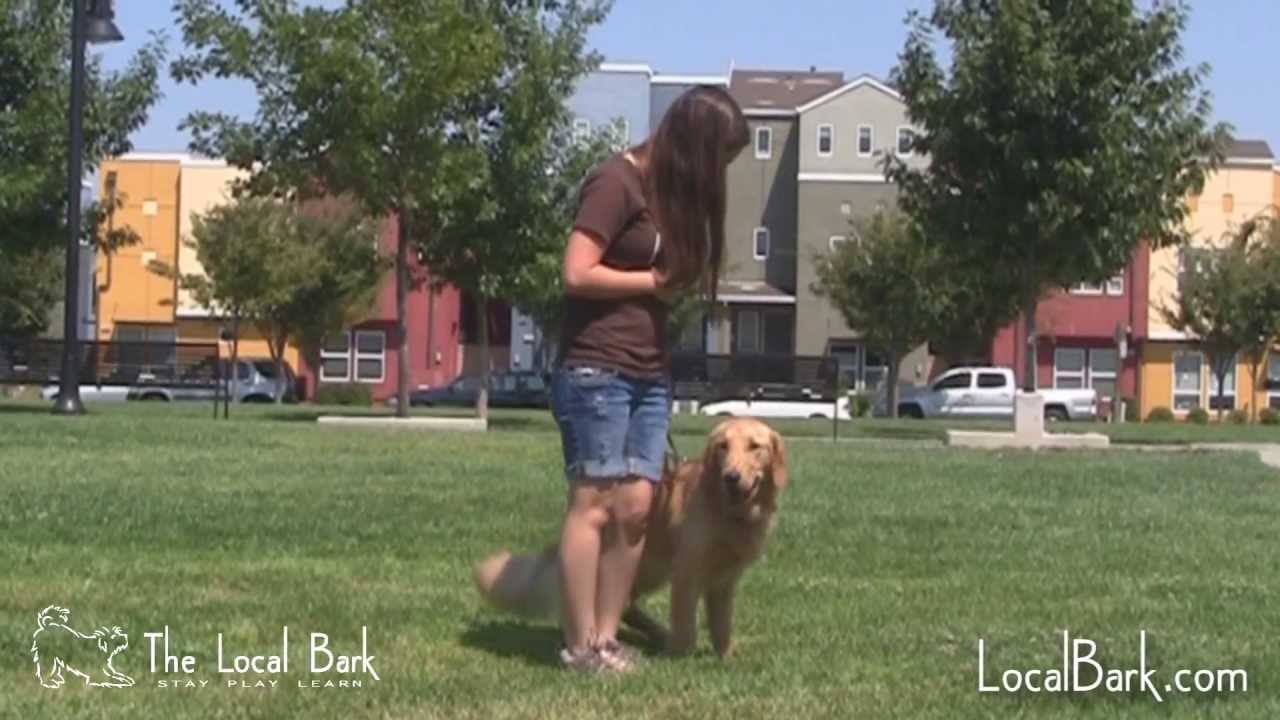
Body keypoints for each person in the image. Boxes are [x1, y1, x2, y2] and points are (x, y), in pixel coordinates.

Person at [550, 86, 749, 672]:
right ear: (694, 144)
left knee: (637, 506)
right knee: (594, 503)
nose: (723, 173)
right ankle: (578, 643)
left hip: (648, 370)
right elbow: (576, 272)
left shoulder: (669, 200)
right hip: (596, 366)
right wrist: (649, 285)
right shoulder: (617, 181)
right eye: (723, 159)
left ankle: (608, 639)